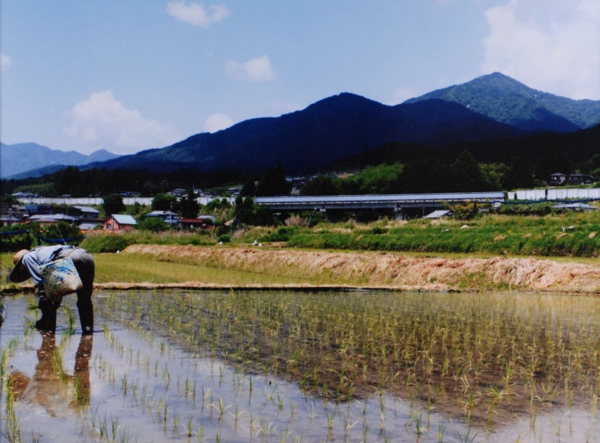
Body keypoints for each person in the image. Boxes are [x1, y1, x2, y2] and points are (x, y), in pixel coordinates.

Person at [8, 245, 94, 334]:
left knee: (46, 295)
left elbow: (43, 283)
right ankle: (88, 330)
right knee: (84, 298)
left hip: (68, 258)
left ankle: (48, 329)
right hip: (86, 255)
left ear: (21, 264)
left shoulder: (26, 258)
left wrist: (48, 304)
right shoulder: (41, 251)